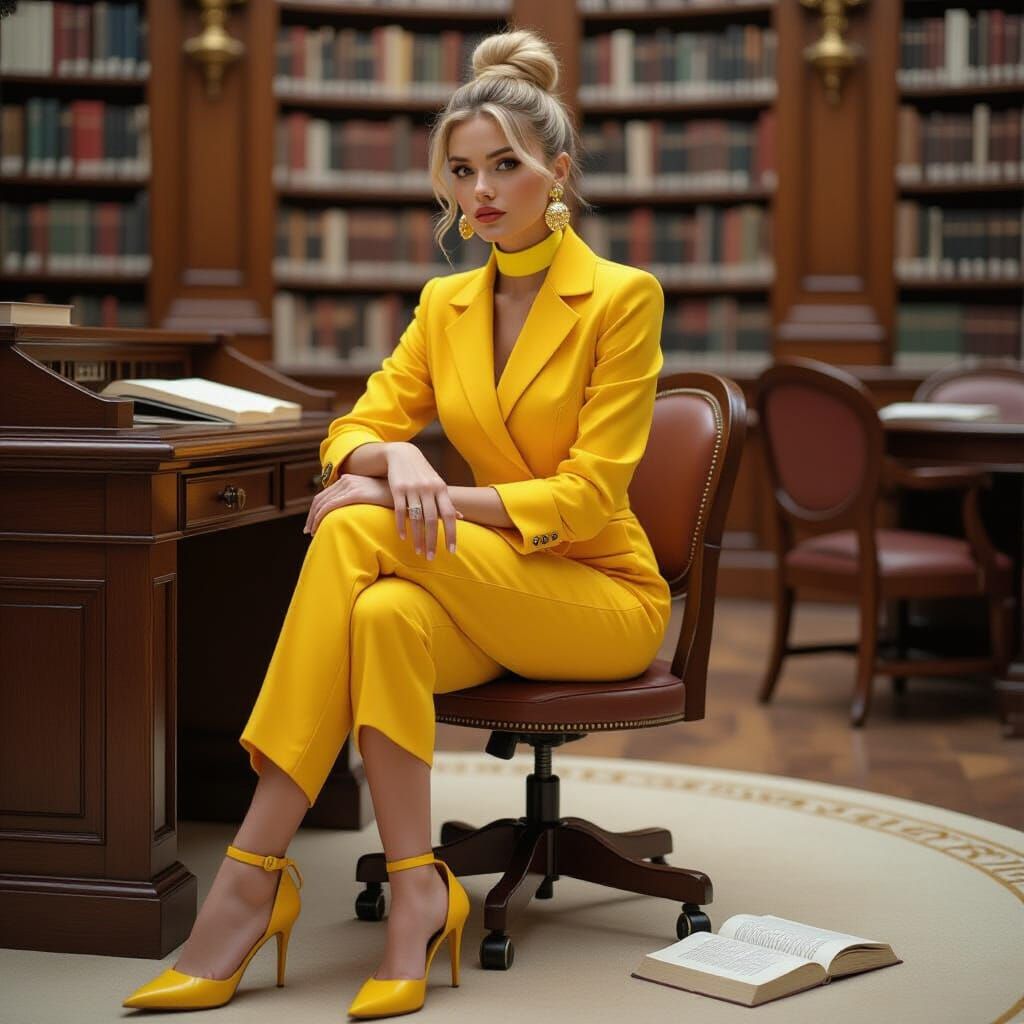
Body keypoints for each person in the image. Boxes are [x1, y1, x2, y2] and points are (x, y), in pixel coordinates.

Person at [121, 25, 672, 1020]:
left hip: (598, 592)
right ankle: (417, 884)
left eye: (505, 165)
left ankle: (251, 872)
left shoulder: (621, 299)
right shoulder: (444, 302)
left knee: (356, 530)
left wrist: (418, 497)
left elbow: (589, 497)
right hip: (491, 584)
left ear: (557, 170)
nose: (482, 191)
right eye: (462, 171)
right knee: (376, 613)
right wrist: (397, 455)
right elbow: (353, 430)